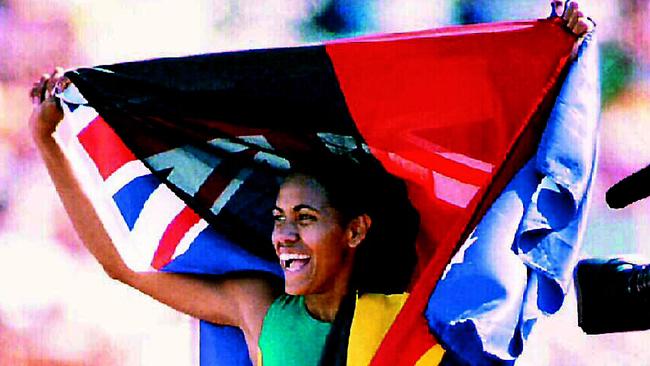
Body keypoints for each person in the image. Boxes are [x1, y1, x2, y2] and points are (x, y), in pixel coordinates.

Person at [29, 2, 594, 365]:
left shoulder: (410, 315)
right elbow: (122, 264)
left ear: (354, 231)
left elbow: (501, 187)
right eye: (279, 217)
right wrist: (51, 140)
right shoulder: (259, 309)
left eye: (305, 218)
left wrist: (556, 65)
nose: (284, 236)